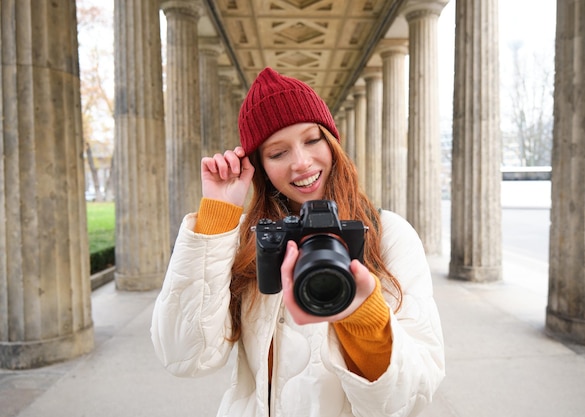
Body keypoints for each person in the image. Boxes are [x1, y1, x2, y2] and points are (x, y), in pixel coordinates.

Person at [151, 67, 445, 416]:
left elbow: (413, 394)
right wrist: (218, 215)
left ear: (331, 140)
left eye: (311, 140)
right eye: (277, 153)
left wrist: (363, 316)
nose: (302, 163)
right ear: (260, 167)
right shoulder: (250, 238)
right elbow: (186, 356)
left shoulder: (389, 234)